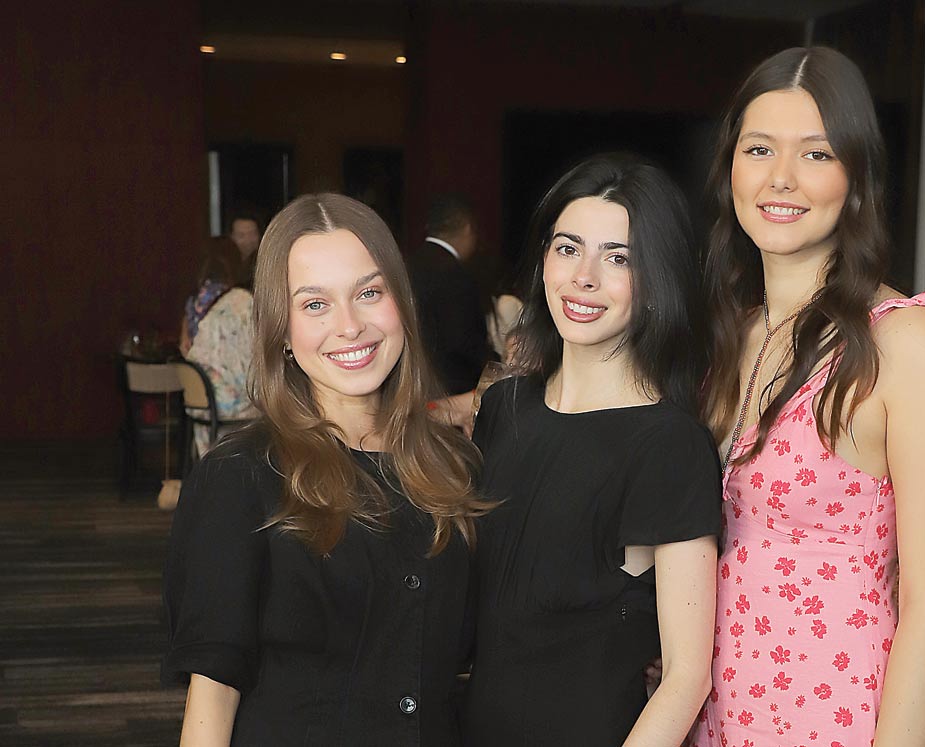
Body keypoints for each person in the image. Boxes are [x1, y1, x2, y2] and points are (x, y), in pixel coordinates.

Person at [692, 48, 925, 747]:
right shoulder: (729, 335)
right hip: (712, 716)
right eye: (759, 149)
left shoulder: (906, 342)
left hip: (833, 719)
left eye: (817, 154)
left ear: (855, 178)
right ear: (731, 166)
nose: (781, 178)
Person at [162, 193, 488, 745]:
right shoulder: (239, 477)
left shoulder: (456, 467)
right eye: (315, 304)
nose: (350, 326)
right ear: (282, 330)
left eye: (368, 293)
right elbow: (212, 697)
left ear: (401, 303)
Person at [462, 154, 721, 746]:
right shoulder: (503, 410)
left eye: (619, 258)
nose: (585, 277)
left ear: (657, 282)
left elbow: (687, 677)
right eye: (568, 248)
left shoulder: (669, 444)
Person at [407, 193, 495, 395]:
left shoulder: (406, 265)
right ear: (468, 229)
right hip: (451, 387)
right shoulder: (456, 274)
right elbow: (463, 339)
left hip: (414, 384)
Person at [180, 236, 256, 455]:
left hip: (202, 399)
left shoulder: (212, 301)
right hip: (228, 404)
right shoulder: (244, 304)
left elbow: (187, 347)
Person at [227, 206, 262, 286]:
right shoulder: (225, 267)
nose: (248, 240)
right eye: (241, 235)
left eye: (252, 234)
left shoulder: (267, 265)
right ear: (231, 237)